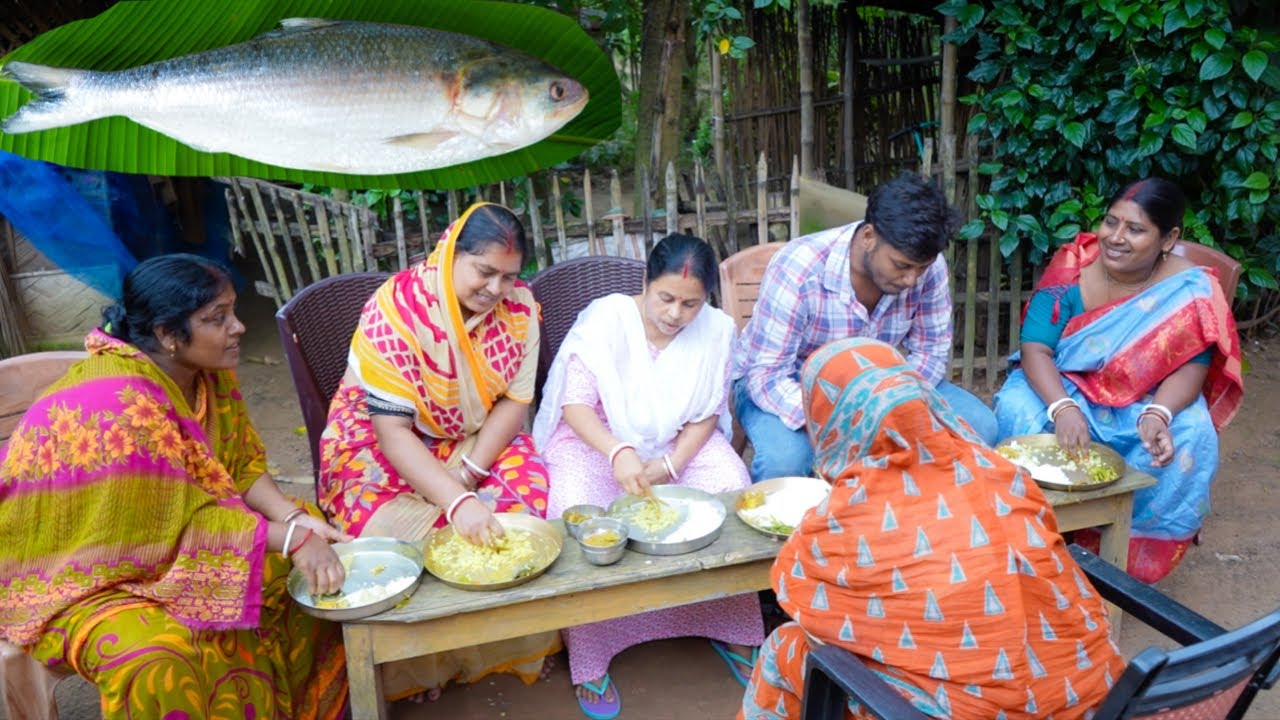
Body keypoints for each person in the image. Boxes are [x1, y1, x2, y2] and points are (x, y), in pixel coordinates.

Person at [0, 254, 349, 718]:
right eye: (216, 318)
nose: (239, 327)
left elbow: (239, 467)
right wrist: (292, 539)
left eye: (233, 311)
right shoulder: (118, 402)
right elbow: (173, 522)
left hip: (167, 545)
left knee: (299, 566)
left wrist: (293, 519)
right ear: (167, 335)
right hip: (82, 571)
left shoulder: (204, 377)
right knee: (160, 657)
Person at [740, 338, 1124, 720]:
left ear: (829, 421)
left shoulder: (844, 519)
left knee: (785, 647)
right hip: (1085, 694)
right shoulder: (1003, 474)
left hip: (966, 712)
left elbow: (798, 593)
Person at [318, 201, 559, 701]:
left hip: (473, 438)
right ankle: (421, 663)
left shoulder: (520, 313)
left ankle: (490, 649)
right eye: (484, 272)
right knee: (385, 538)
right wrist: (457, 501)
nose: (496, 290)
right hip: (376, 437)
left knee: (525, 510)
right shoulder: (396, 312)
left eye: (509, 277)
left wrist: (470, 471)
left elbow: (515, 402)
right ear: (451, 255)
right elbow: (393, 433)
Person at [533, 234, 765, 719]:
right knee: (577, 509)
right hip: (596, 441)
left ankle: (732, 628)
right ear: (644, 283)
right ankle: (592, 657)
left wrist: (672, 464)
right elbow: (575, 406)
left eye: (691, 303)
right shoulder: (606, 319)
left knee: (730, 484)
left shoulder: (717, 331)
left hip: (676, 445)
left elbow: (706, 415)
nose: (677, 314)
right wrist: (618, 451)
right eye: (665, 298)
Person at [994, 178, 1243, 583]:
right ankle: (1030, 533)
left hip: (1142, 398)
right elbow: (1036, 349)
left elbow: (1191, 363)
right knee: (1017, 408)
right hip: (1065, 385)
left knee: (1193, 429)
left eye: (1136, 229)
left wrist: (1160, 413)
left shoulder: (1192, 289)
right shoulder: (1072, 269)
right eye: (1112, 223)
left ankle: (1126, 559)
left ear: (1169, 238)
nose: (1116, 238)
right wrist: (1063, 407)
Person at [732, 173, 998, 483]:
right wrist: (851, 421)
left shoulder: (928, 267)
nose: (911, 279)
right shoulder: (798, 268)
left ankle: (915, 517)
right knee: (785, 462)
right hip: (787, 386)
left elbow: (930, 352)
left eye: (920, 268)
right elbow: (767, 376)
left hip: (882, 386)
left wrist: (896, 406)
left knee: (980, 426)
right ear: (869, 236)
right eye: (901, 265)